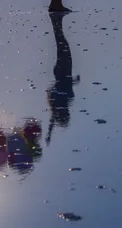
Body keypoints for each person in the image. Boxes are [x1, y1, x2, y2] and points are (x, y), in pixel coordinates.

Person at [46, 13, 80, 145]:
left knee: (62, 44)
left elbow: (64, 85)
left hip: (63, 69)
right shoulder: (59, 104)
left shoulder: (63, 100)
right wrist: (49, 134)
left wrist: (49, 134)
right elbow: (52, 120)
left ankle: (55, 21)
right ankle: (56, 22)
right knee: (62, 44)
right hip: (63, 70)